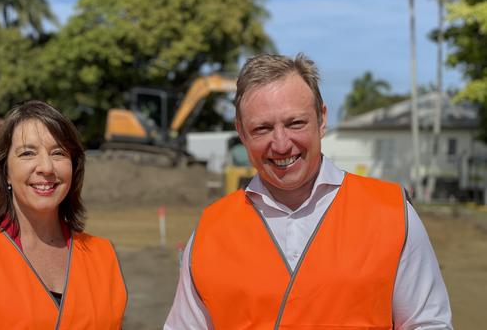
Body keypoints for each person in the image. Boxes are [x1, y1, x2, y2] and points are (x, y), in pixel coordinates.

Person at [165, 54, 453, 329]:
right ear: (241, 132)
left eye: (295, 123)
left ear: (322, 119)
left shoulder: (392, 214)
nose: (281, 144)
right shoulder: (210, 231)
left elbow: (427, 323)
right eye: (262, 129)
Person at [0, 100, 127, 329]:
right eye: (28, 153)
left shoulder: (102, 256)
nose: (46, 167)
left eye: (58, 153)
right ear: (5, 171)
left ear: (73, 167)